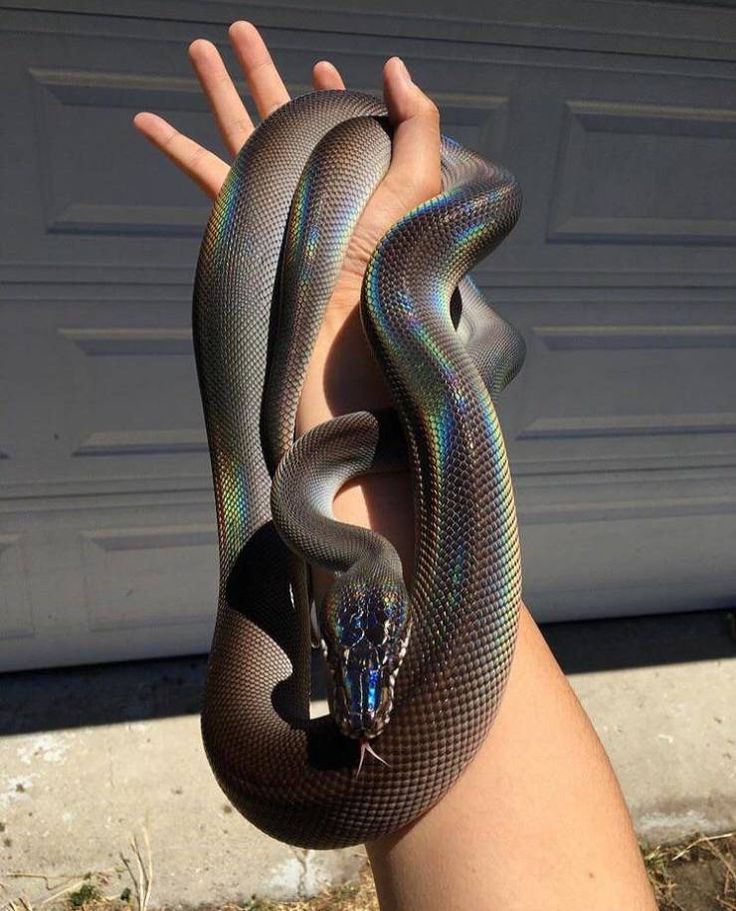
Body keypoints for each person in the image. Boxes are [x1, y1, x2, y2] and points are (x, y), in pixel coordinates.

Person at [133, 21, 658, 911]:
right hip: (353, 447)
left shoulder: (315, 499)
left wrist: (347, 285)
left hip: (346, 436)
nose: (363, 717)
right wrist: (348, 292)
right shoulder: (324, 510)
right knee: (482, 351)